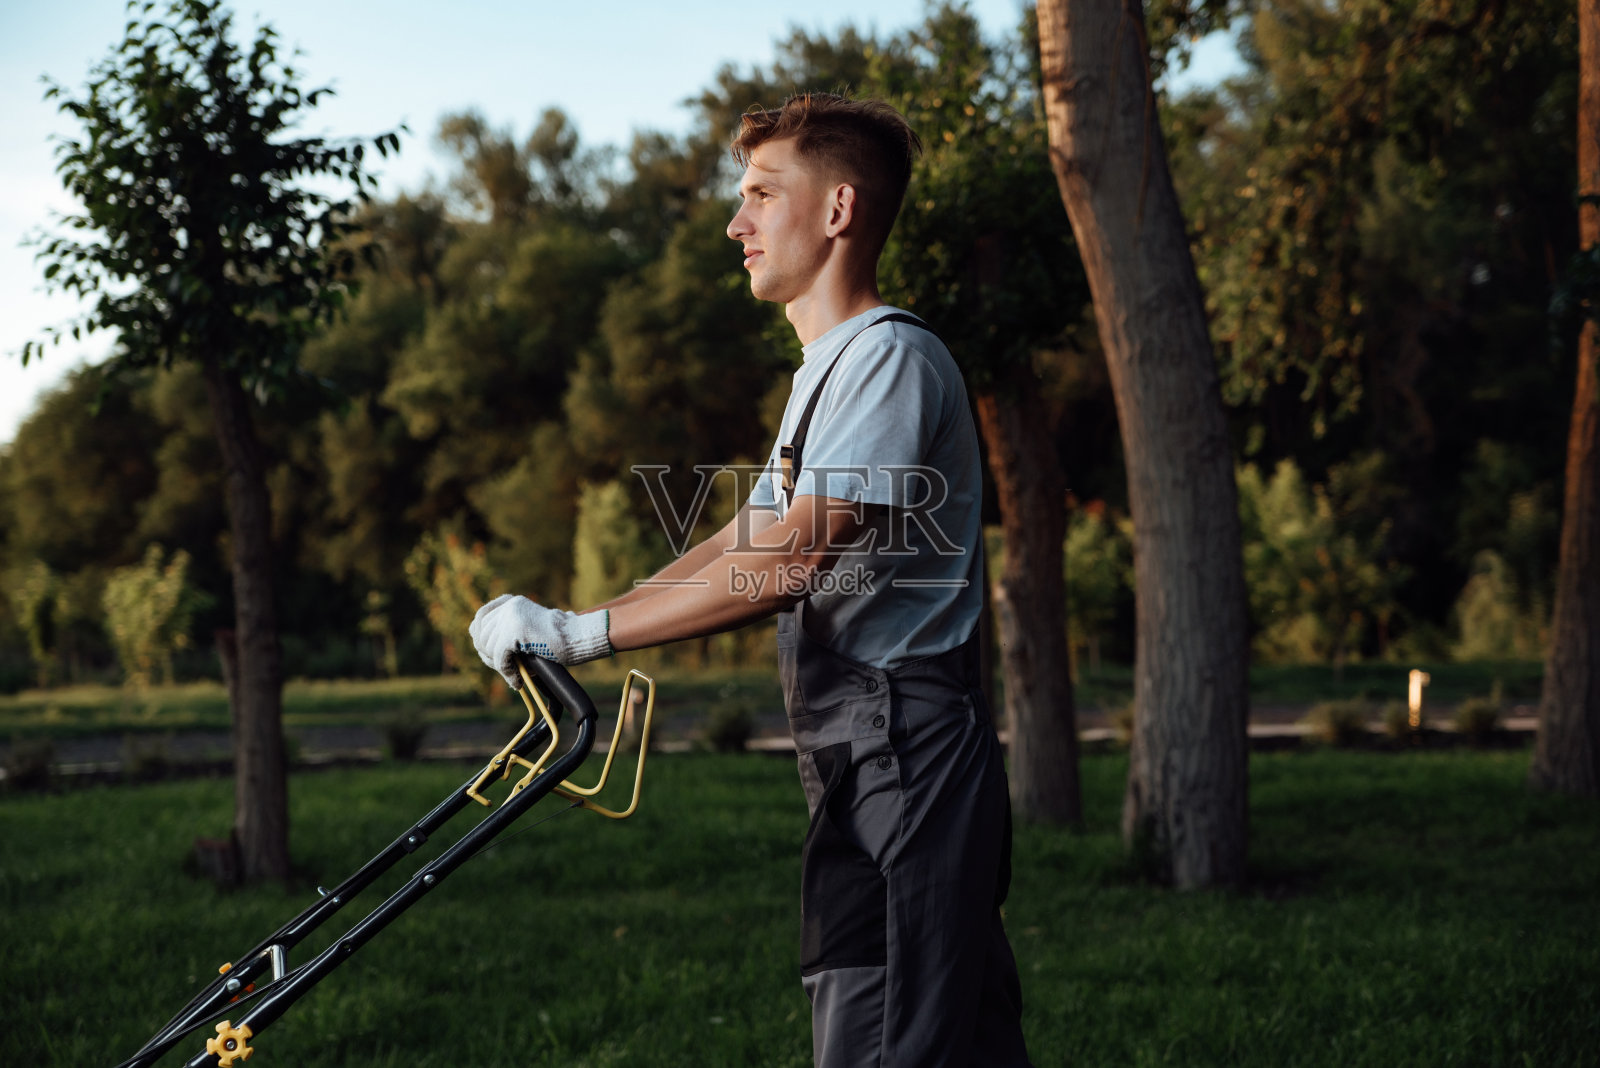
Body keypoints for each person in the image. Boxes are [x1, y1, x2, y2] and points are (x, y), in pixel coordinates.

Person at [469, 92, 1031, 1068]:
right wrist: (577, 624)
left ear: (838, 209)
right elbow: (742, 539)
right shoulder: (829, 371)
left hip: (905, 750)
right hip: (861, 760)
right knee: (902, 1029)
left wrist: (585, 635)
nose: (737, 223)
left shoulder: (888, 356)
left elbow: (790, 562)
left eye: (763, 194)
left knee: (907, 1041)